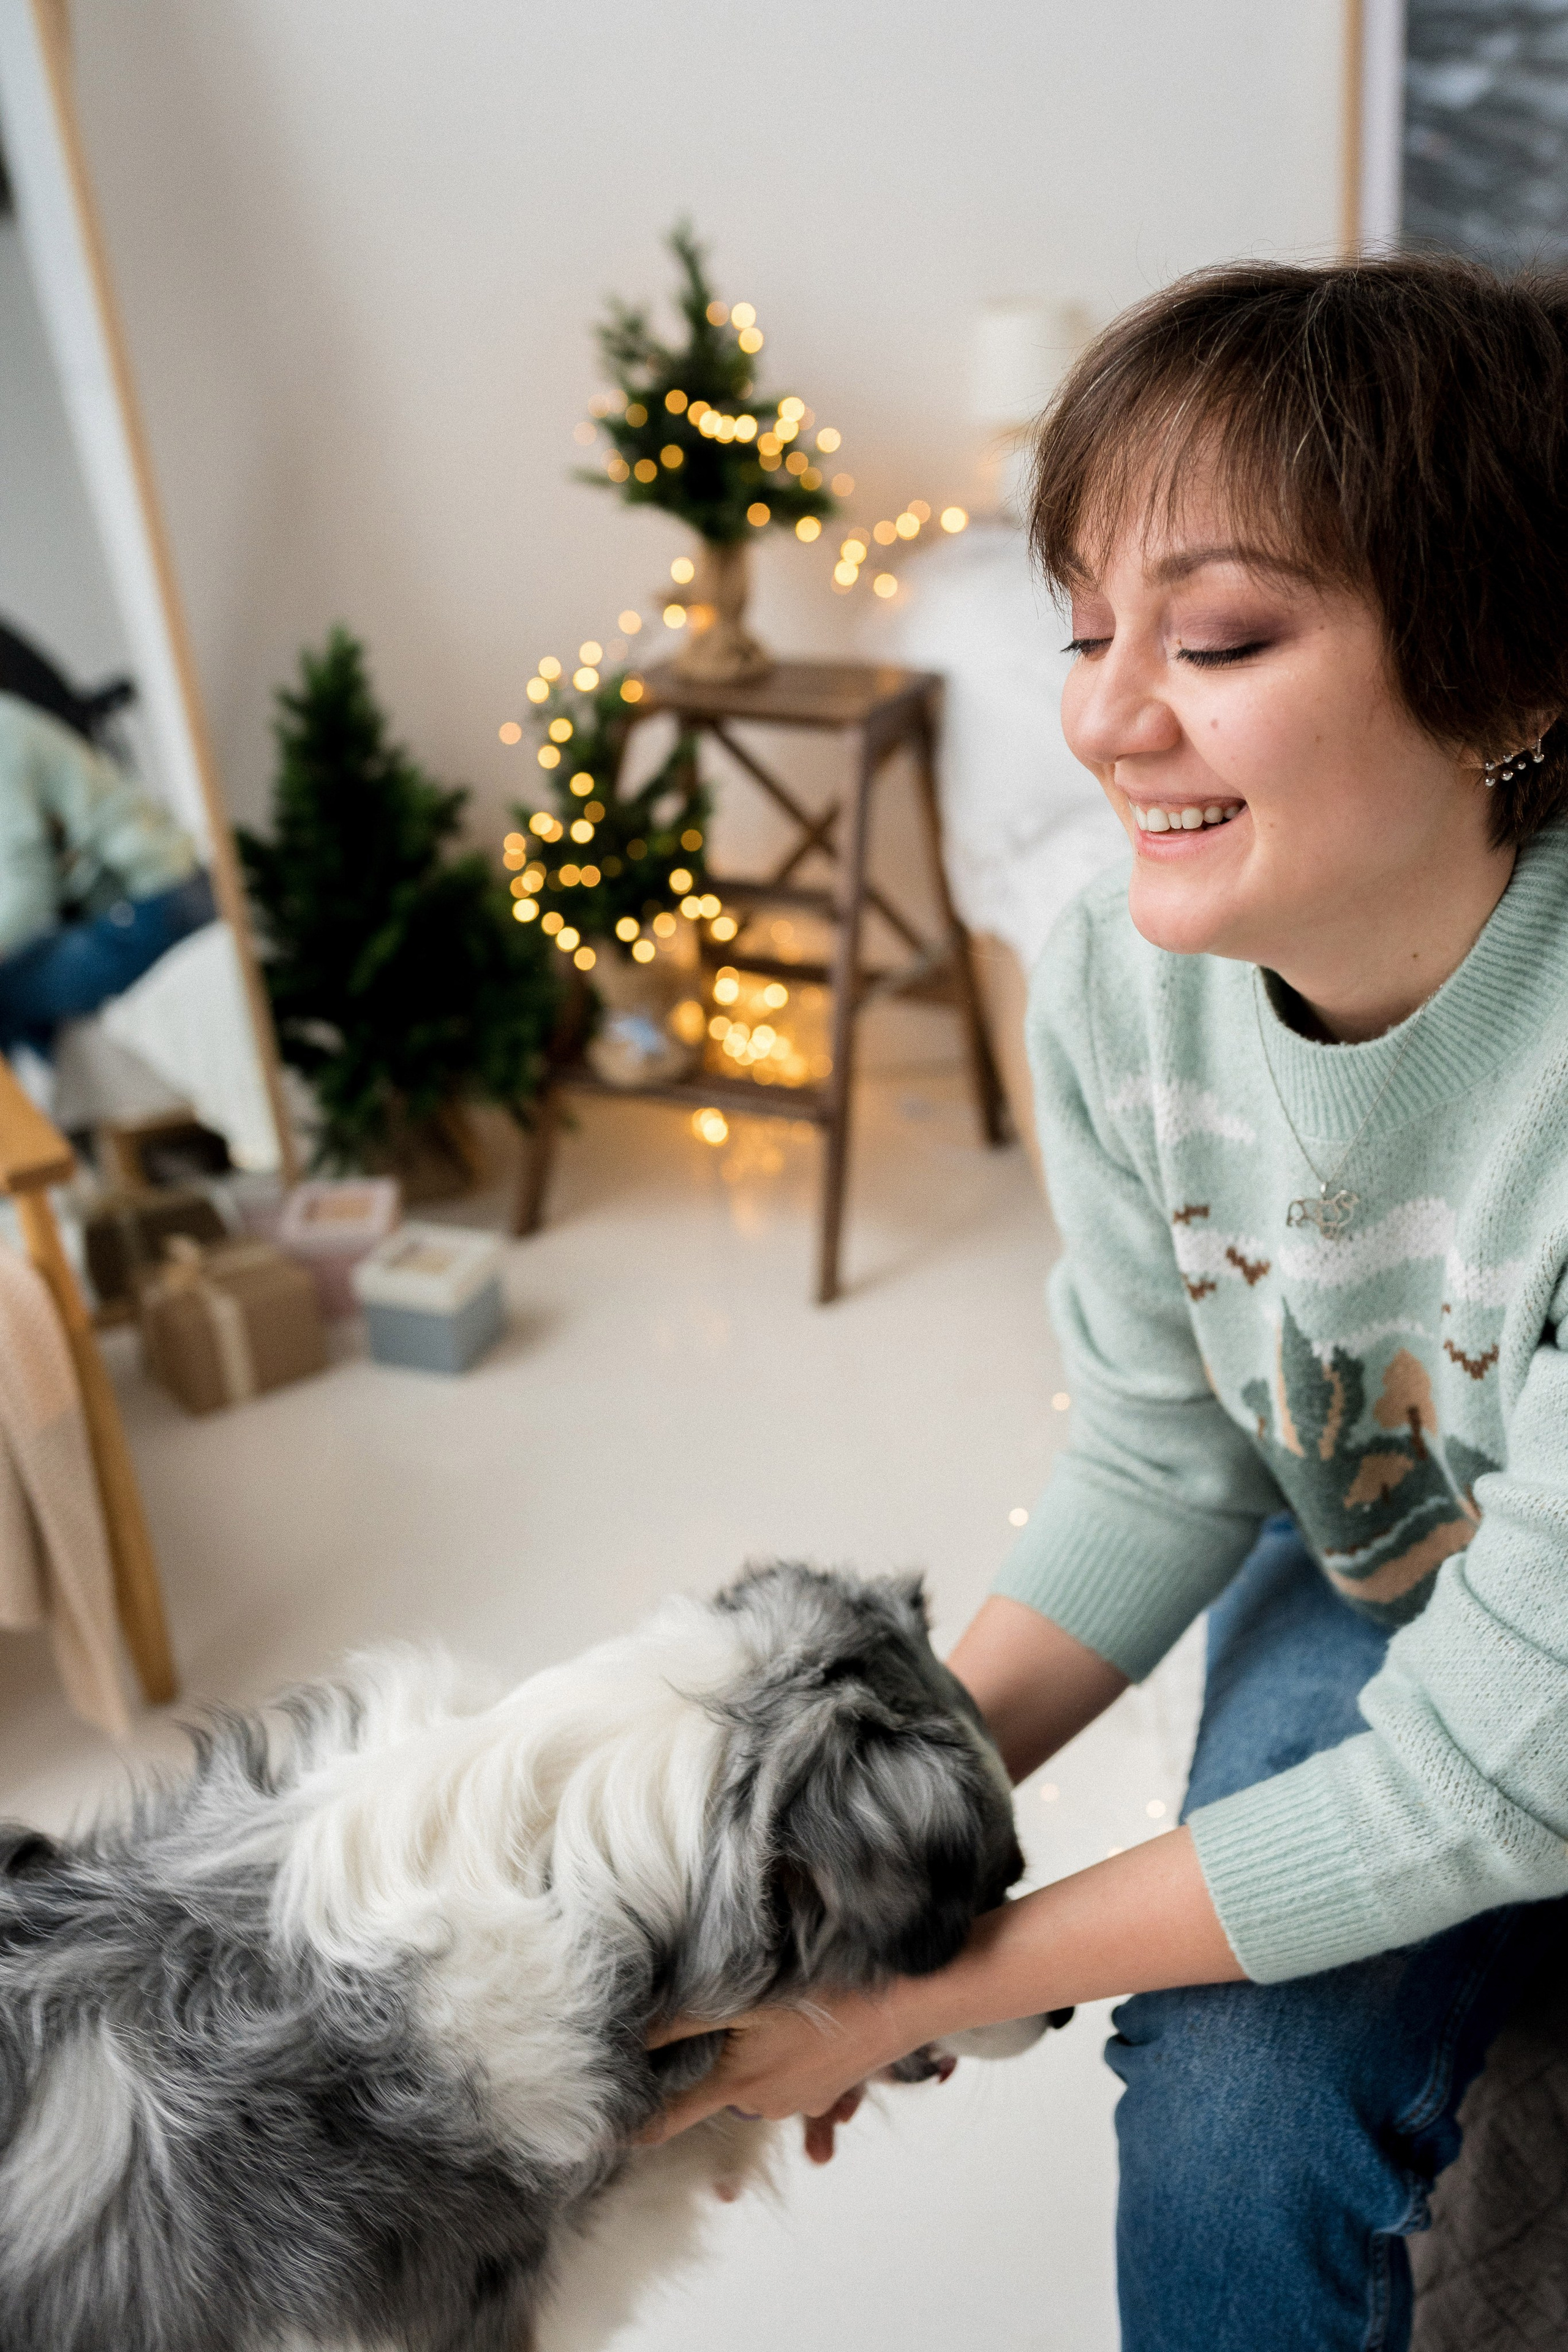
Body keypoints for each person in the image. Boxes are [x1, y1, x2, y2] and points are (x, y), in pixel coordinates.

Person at [640, 255, 1568, 2350]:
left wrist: (945, 1985)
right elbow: (1169, 1454)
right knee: (1234, 2104)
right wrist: (859, 1872)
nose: (1102, 714)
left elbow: (1498, 1778)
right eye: (1085, 628)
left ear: (1511, 682)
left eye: (1217, 635)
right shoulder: (1117, 986)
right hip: (1393, 1572)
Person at [0, 679, 213, 1058]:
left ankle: (52, 1111)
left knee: (5, 994)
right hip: (149, 900)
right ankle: (66, 1101)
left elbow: (29, 888)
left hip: (159, 902)